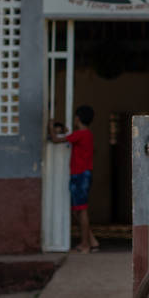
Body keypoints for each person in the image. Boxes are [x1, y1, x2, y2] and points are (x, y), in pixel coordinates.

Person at [48, 105, 100, 254]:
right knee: (78, 211)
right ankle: (92, 241)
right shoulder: (86, 134)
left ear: (77, 118)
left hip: (79, 175)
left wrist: (51, 126)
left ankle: (85, 245)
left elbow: (55, 140)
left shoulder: (80, 134)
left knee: (81, 211)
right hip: (84, 174)